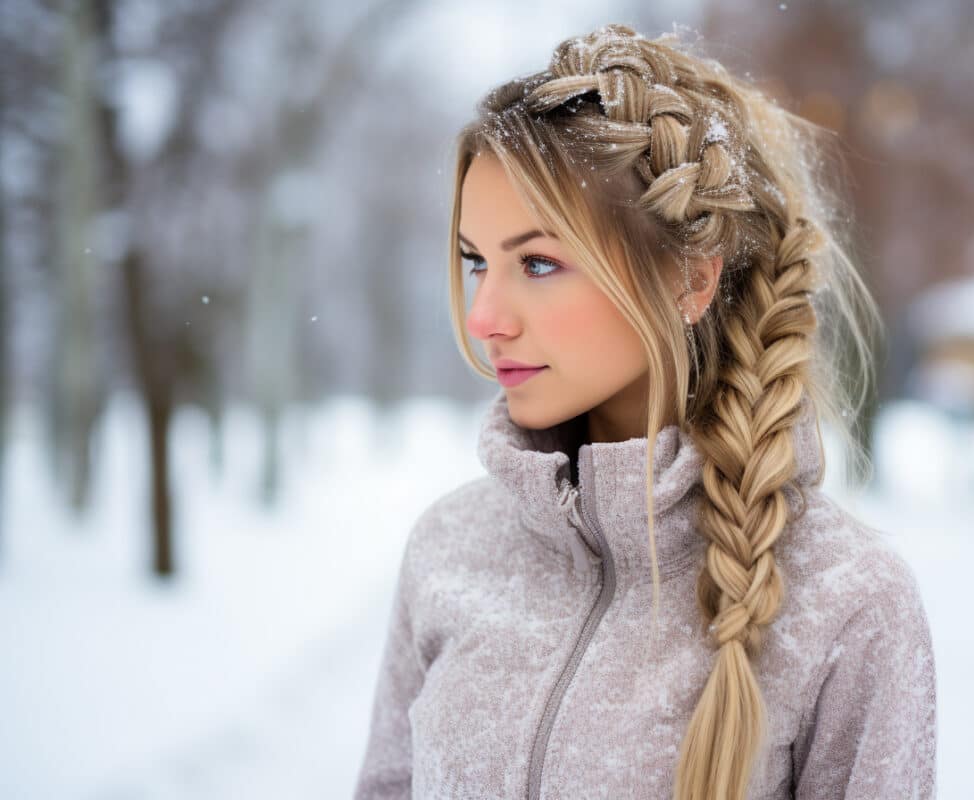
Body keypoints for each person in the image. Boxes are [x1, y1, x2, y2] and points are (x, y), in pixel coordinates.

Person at [354, 23, 936, 800]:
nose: (485, 315)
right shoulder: (450, 549)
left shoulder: (849, 600)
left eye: (537, 262)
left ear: (691, 280)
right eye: (475, 262)